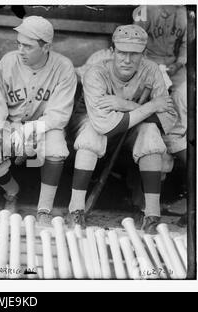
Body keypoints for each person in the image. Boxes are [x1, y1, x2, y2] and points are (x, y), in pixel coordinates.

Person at [67, 24, 177, 234]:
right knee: (92, 134)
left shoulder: (152, 70)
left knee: (151, 134)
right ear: (112, 51)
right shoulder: (96, 72)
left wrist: (127, 105)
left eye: (134, 54)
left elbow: (168, 120)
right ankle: (76, 209)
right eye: (122, 52)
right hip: (89, 125)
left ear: (143, 54)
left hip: (129, 129)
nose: (127, 60)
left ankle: (151, 214)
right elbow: (104, 125)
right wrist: (151, 107)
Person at [0, 16, 77, 225]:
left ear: (46, 47)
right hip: (9, 124)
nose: (21, 50)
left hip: (44, 126)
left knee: (57, 149)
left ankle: (44, 209)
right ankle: (12, 192)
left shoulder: (63, 67)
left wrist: (32, 128)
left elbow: (58, 115)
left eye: (28, 46)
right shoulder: (8, 61)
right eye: (19, 44)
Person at [133, 5, 188, 226]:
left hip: (175, 68)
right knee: (150, 130)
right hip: (148, 65)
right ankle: (141, 200)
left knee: (182, 102)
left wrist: (178, 63)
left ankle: (189, 197)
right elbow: (135, 44)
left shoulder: (185, 11)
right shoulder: (145, 8)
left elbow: (188, 46)